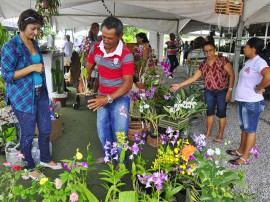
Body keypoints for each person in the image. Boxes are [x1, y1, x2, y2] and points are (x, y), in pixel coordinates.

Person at [1, 9, 62, 180]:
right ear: (22, 25)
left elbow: (40, 70)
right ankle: (29, 166)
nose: (36, 33)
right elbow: (7, 75)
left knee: (45, 128)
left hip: (40, 93)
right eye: (33, 29)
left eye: (37, 29)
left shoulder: (33, 44)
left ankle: (45, 159)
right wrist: (31, 68)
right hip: (22, 97)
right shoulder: (10, 47)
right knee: (27, 134)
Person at [78, 16, 134, 164]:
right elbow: (88, 68)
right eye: (103, 37)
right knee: (102, 129)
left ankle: (120, 163)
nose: (105, 41)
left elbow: (128, 84)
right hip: (102, 94)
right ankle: (109, 156)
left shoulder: (126, 54)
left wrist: (107, 98)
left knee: (120, 132)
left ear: (120, 36)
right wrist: (83, 81)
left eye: (110, 38)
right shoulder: (96, 47)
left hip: (120, 97)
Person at [171, 41, 235, 143]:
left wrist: (230, 90)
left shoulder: (223, 61)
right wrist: (179, 85)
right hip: (209, 91)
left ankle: (220, 135)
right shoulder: (203, 64)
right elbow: (194, 78)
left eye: (210, 50)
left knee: (221, 113)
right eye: (206, 51)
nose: (208, 53)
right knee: (209, 112)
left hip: (222, 91)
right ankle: (208, 132)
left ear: (215, 49)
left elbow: (232, 75)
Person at [227, 37, 270, 165]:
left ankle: (245, 157)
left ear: (253, 49)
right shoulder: (250, 61)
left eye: (246, 46)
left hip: (252, 102)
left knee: (250, 130)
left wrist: (259, 87)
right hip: (244, 101)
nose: (244, 48)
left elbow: (268, 76)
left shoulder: (259, 62)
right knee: (244, 128)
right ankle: (241, 150)